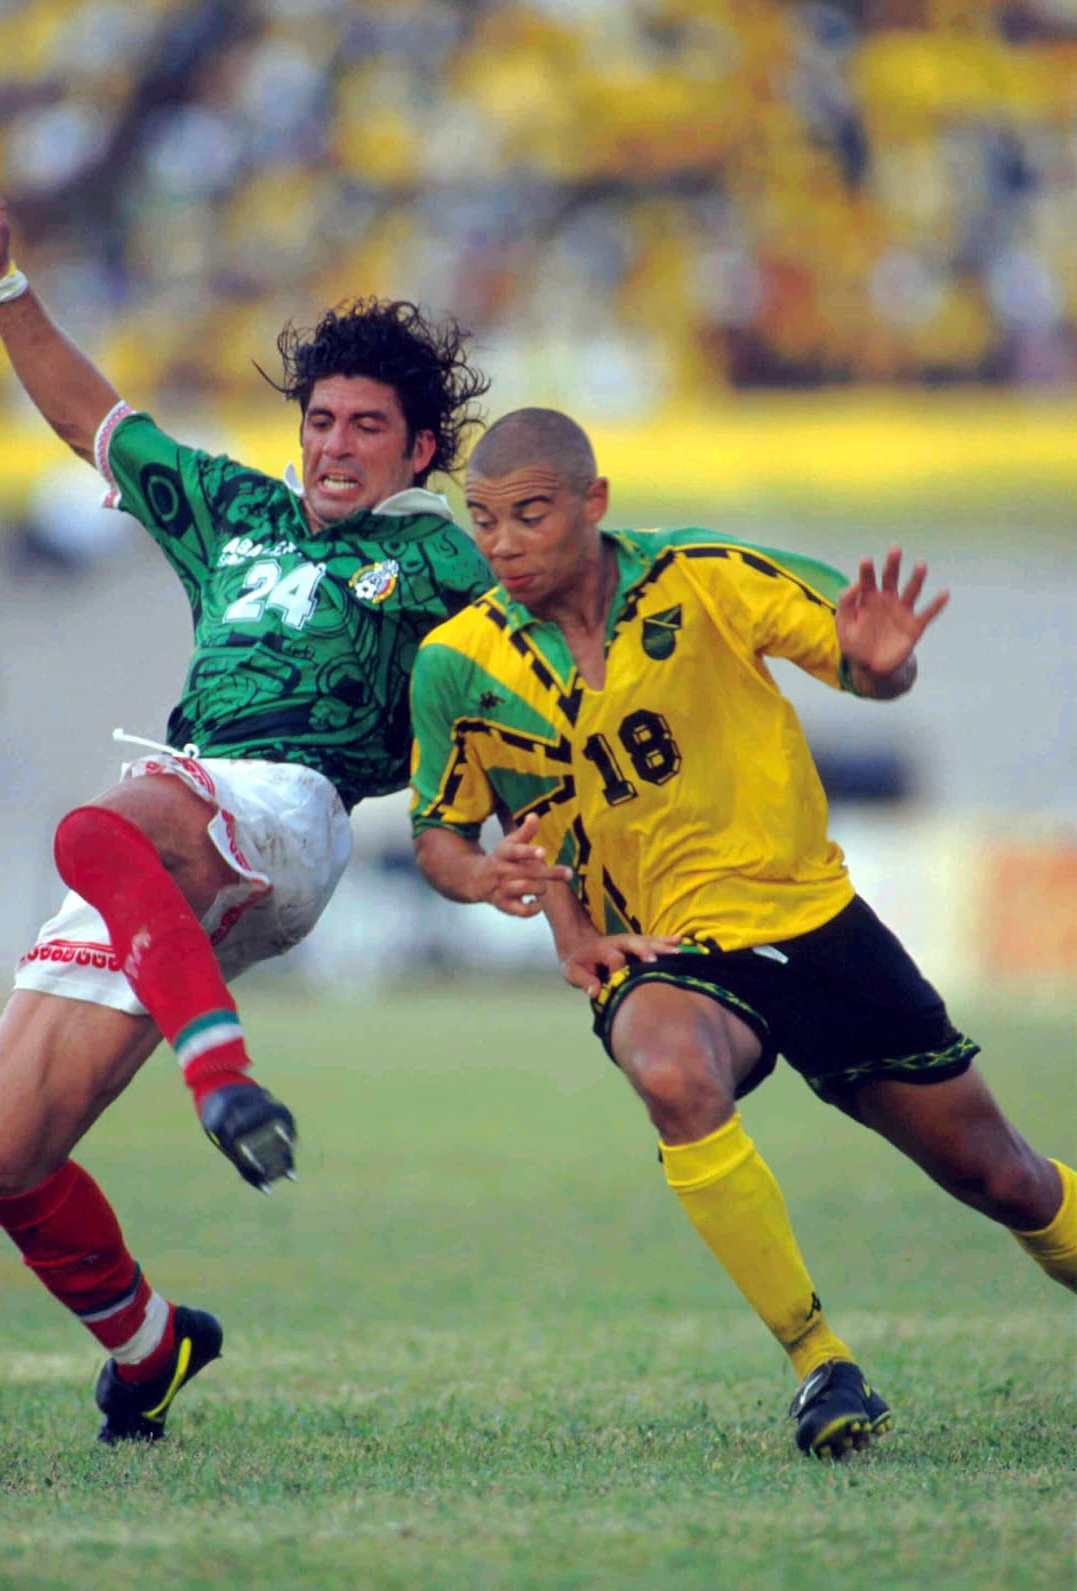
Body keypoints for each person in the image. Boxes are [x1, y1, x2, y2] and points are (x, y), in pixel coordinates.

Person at [0, 177, 493, 1444]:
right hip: (186, 821)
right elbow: (91, 420)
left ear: (418, 453)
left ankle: (220, 1076)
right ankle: (149, 1346)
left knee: (96, 828)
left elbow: (530, 661)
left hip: (290, 810)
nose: (333, 446)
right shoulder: (234, 510)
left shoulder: (440, 554)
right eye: (320, 421)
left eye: (366, 428)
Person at [408, 406, 1077, 1460]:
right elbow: (438, 835)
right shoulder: (456, 662)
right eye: (482, 521)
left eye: (528, 515)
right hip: (666, 953)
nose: (501, 543)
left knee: (1004, 1179)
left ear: (593, 502)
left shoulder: (704, 575)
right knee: (670, 1070)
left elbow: (864, 661)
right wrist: (488, 877)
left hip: (814, 926)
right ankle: (820, 1362)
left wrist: (885, 668)